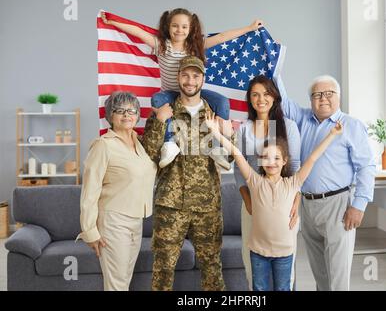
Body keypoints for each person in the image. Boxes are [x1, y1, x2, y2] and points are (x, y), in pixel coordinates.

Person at [101, 8, 262, 169]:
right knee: (157, 99)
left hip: (193, 92)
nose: (179, 30)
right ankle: (169, 143)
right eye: (175, 26)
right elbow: (138, 32)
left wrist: (249, 28)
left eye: (184, 27)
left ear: (191, 28)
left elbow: (221, 38)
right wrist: (113, 21)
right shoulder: (162, 45)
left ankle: (218, 147)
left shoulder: (196, 45)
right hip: (171, 94)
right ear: (168, 27)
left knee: (222, 102)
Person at [205, 110, 343, 291]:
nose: (271, 162)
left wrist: (332, 134)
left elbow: (313, 158)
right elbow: (236, 153)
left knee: (283, 289)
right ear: (260, 161)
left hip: (284, 253)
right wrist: (215, 132)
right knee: (259, 290)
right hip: (258, 253)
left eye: (276, 157)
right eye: (265, 157)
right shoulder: (255, 181)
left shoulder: (293, 183)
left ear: (285, 161)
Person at [141, 56, 236, 291]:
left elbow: (230, 158)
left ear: (203, 79)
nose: (190, 81)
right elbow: (150, 154)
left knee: (212, 269)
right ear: (178, 78)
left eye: (195, 76)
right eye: (185, 75)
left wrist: (228, 134)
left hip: (207, 205)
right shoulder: (164, 111)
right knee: (162, 270)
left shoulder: (216, 114)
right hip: (170, 204)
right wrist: (159, 122)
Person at [277, 75, 376, 290]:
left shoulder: (351, 125)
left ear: (338, 97)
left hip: (338, 205)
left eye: (329, 93)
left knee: (338, 275)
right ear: (311, 100)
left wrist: (359, 205)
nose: (323, 99)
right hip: (307, 204)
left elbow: (366, 167)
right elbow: (281, 99)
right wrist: (275, 67)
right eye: (317, 95)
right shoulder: (302, 119)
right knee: (319, 273)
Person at [76, 91, 157, 291]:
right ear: (110, 116)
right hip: (113, 222)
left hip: (136, 220)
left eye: (131, 110)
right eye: (119, 111)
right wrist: (90, 230)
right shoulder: (103, 146)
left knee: (124, 279)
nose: (126, 115)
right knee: (116, 284)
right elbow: (90, 190)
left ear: (138, 115)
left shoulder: (140, 144)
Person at [233, 75, 301, 290]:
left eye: (265, 93)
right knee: (252, 266)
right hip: (253, 205)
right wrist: (248, 202)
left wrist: (295, 201)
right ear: (250, 99)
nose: (260, 99)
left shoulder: (288, 127)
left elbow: (297, 167)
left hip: (284, 205)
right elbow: (238, 169)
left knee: (284, 272)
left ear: (274, 97)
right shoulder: (244, 128)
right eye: (255, 94)